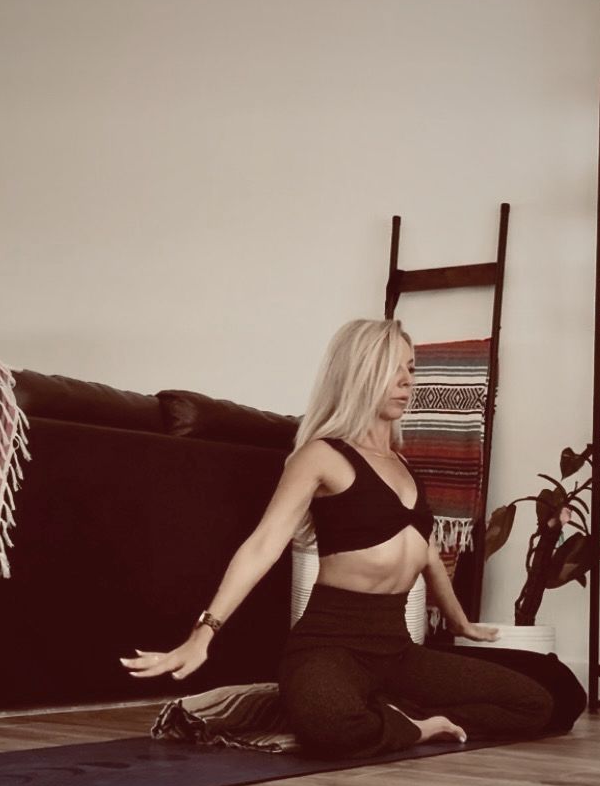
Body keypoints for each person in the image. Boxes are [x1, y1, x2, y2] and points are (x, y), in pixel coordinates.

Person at [120, 319, 552, 758]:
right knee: (332, 726)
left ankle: (393, 713)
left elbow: (425, 554)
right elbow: (262, 545)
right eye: (392, 369)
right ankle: (417, 727)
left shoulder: (402, 464)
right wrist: (203, 633)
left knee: (538, 702)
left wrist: (460, 623)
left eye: (411, 368)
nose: (407, 381)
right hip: (329, 647)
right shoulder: (321, 455)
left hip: (397, 650)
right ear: (358, 374)